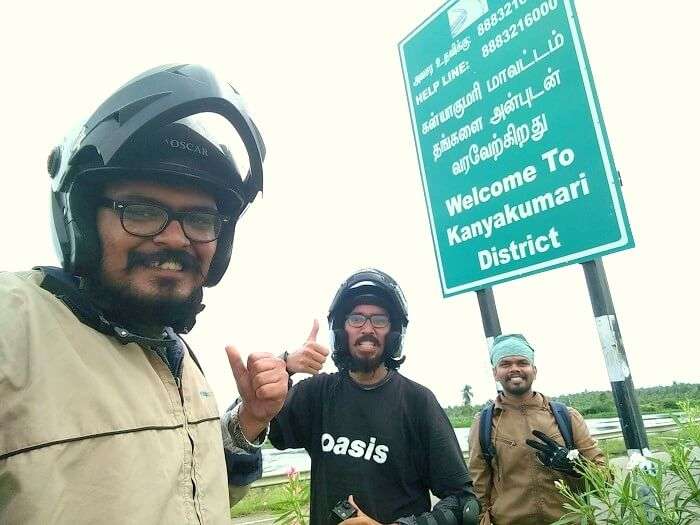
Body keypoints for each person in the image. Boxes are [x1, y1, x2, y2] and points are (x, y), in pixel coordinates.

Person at [0, 64, 289, 524]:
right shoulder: (15, 328)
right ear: (81, 223)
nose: (176, 239)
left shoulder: (177, 356)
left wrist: (249, 421)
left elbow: (194, 493)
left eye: (199, 219)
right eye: (141, 210)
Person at [272, 268, 479, 525]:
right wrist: (284, 367)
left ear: (394, 333)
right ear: (340, 329)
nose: (367, 329)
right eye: (356, 318)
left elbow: (463, 504)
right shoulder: (316, 394)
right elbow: (255, 429)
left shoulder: (418, 402)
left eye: (379, 320)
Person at [467, 334, 607, 525]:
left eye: (522, 362)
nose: (514, 369)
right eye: (505, 364)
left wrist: (575, 466)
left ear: (534, 369)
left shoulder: (567, 417)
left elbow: (605, 482)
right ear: (495, 373)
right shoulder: (483, 423)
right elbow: (479, 490)